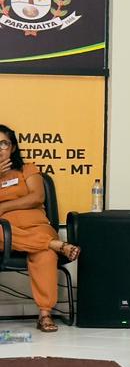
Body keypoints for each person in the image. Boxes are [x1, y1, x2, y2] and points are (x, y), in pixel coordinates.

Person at [0, 123, 78, 332]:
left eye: (3, 144)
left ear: (12, 147)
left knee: (44, 253)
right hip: (4, 233)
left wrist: (3, 206)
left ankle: (45, 314)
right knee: (45, 245)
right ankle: (53, 244)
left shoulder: (27, 169)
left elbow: (37, 197)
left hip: (36, 227)